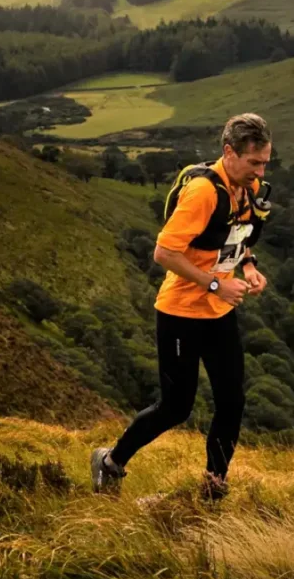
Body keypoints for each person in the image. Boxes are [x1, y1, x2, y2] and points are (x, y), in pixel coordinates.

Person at [91, 113, 272, 499]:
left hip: (219, 314)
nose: (259, 171)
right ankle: (110, 463)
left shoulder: (249, 187)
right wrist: (216, 283)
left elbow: (240, 232)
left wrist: (250, 266)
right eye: (253, 162)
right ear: (228, 152)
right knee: (176, 407)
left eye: (265, 163)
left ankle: (213, 488)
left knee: (231, 401)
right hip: (180, 314)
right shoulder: (203, 193)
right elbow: (164, 253)